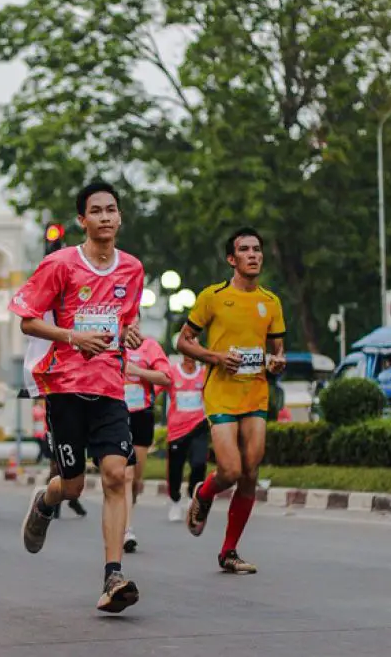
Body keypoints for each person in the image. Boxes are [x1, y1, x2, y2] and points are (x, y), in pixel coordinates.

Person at [12, 180, 145, 613]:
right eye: (97, 210)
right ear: (82, 219)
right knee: (71, 486)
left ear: (120, 217)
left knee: (115, 476)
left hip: (109, 387)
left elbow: (127, 317)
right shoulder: (61, 265)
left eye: (112, 209)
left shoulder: (132, 269)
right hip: (65, 387)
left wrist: (129, 331)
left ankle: (113, 576)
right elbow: (28, 321)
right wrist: (73, 337)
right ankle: (45, 501)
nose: (105, 217)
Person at [177, 227, 286, 574]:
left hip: (255, 392)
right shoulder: (212, 296)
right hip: (221, 393)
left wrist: (277, 362)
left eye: (257, 249)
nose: (253, 255)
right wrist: (214, 357)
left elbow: (277, 350)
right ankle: (205, 494)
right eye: (245, 250)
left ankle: (229, 551)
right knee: (231, 470)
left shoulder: (270, 302)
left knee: (251, 472)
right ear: (231, 259)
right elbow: (183, 342)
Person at [121, 315, 171, 552]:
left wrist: (136, 370)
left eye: (134, 320)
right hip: (116, 415)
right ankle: (126, 529)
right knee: (126, 475)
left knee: (136, 478)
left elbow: (166, 377)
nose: (131, 325)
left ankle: (129, 506)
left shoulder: (149, 346)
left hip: (141, 414)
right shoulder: (111, 344)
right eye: (126, 320)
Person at [162, 354, 209, 522]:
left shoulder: (203, 373)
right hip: (177, 430)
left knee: (199, 463)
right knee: (175, 468)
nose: (190, 357)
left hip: (199, 426)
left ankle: (192, 498)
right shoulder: (172, 372)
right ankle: (175, 500)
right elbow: (157, 386)